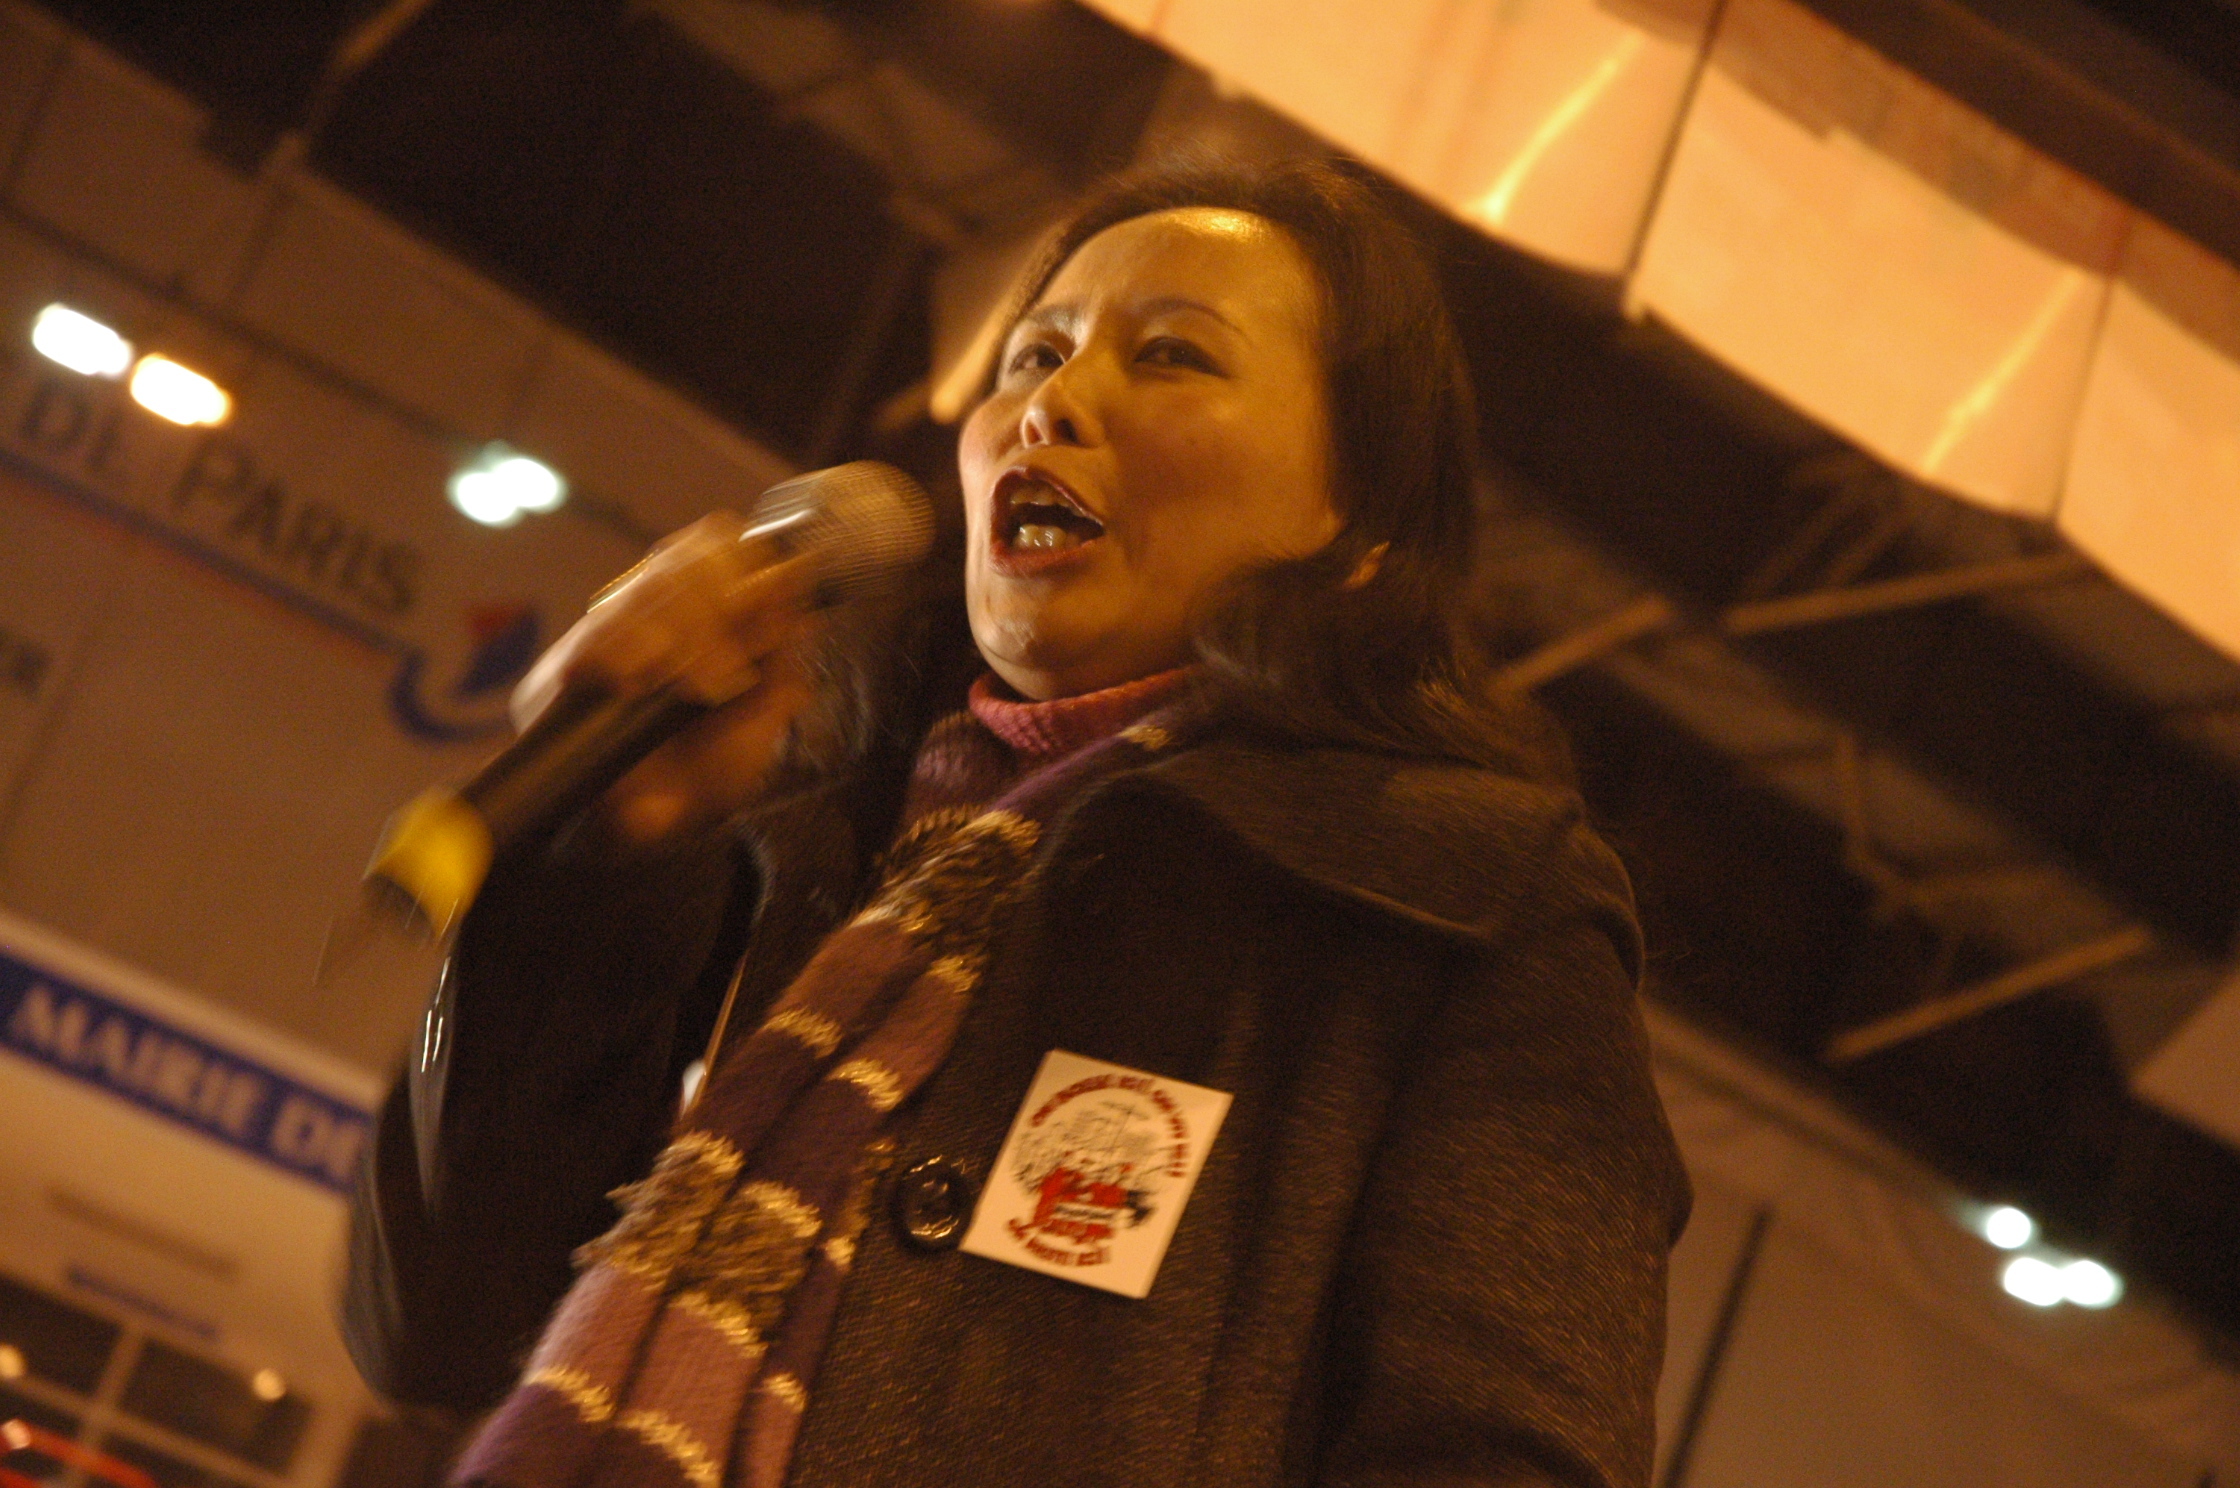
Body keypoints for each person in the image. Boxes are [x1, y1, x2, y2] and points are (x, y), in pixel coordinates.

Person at [344, 155, 1691, 1488]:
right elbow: (435, 1330)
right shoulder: (795, 848)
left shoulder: (1465, 911)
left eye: (1171, 356)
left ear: (1360, 529)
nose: (1052, 402)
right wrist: (601, 867)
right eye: (1033, 354)